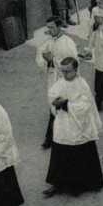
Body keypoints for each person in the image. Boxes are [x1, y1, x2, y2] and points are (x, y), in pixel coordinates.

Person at [43, 57, 103, 197]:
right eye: (63, 71)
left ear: (76, 70)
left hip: (79, 125)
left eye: (68, 71)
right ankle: (58, 183)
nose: (65, 75)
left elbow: (84, 107)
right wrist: (55, 102)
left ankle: (86, 184)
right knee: (60, 151)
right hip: (64, 124)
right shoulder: (59, 83)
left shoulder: (82, 85)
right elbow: (52, 94)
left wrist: (66, 104)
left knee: (81, 152)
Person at [36, 16, 78, 149]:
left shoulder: (67, 42)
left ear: (59, 27)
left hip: (64, 79)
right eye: (48, 27)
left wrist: (53, 59)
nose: (50, 30)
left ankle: (54, 136)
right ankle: (52, 136)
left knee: (62, 105)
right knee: (53, 103)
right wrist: (46, 59)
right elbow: (40, 55)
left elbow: (72, 62)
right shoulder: (49, 42)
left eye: (52, 27)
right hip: (53, 78)